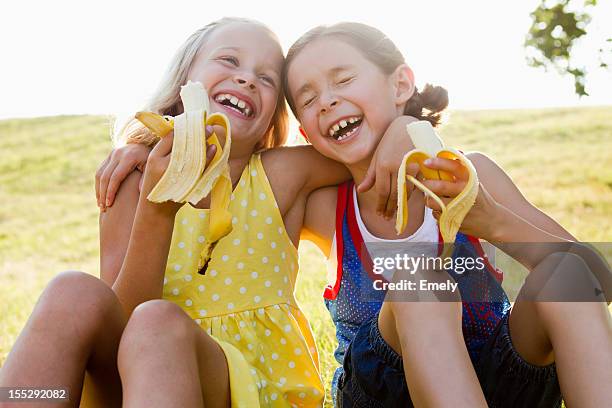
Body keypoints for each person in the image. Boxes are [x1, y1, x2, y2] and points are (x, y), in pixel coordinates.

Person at [1, 17, 416, 408]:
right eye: (230, 60)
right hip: (137, 373)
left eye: (266, 78)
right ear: (185, 81)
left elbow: (362, 144)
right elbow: (120, 322)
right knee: (72, 292)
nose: (246, 79)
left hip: (251, 386)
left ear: (274, 115)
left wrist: (401, 130)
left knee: (160, 323)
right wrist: (156, 208)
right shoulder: (133, 179)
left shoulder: (280, 175)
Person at [281, 22, 612, 408]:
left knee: (566, 273)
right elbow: (254, 170)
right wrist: (404, 126)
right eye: (308, 99)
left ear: (400, 85)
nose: (326, 101)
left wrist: (494, 221)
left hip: (499, 377)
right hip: (382, 392)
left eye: (344, 79)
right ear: (305, 133)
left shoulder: (474, 176)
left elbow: (597, 281)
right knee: (420, 280)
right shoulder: (325, 205)